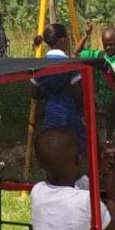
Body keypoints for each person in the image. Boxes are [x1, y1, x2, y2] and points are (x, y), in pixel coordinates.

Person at [30, 22, 85, 150]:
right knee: (73, 147)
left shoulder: (40, 64)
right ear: (62, 40)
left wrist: (49, 91)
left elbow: (34, 92)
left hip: (51, 113)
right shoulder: (70, 64)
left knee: (54, 148)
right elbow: (78, 92)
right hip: (70, 113)